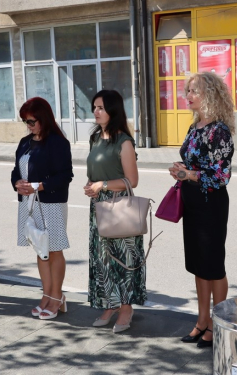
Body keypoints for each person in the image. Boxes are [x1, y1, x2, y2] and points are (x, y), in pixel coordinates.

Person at [169, 72, 234, 348]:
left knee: (213, 265)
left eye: (193, 91)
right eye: (188, 91)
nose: (188, 96)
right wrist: (180, 170)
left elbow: (221, 176)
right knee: (198, 265)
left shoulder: (219, 130)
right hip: (193, 202)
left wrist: (189, 176)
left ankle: (218, 326)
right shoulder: (195, 126)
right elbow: (193, 165)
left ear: (210, 94)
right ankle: (202, 321)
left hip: (211, 204)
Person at [83, 89, 143, 333]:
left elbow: (132, 180)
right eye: (94, 107)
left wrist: (103, 185)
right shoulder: (96, 138)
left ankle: (126, 307)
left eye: (100, 107)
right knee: (103, 260)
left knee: (123, 259)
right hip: (97, 205)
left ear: (113, 110)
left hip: (118, 205)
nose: (96, 112)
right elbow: (96, 171)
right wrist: (91, 186)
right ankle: (110, 304)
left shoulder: (124, 141)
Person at [11, 97, 73, 320]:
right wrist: (17, 183)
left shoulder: (57, 142)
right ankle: (46, 294)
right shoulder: (25, 142)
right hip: (29, 204)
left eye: (31, 121)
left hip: (51, 203)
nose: (28, 125)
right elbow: (16, 171)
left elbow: (66, 176)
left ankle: (57, 296)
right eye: (25, 121)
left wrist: (39, 185)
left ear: (43, 119)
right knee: (40, 249)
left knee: (54, 249)